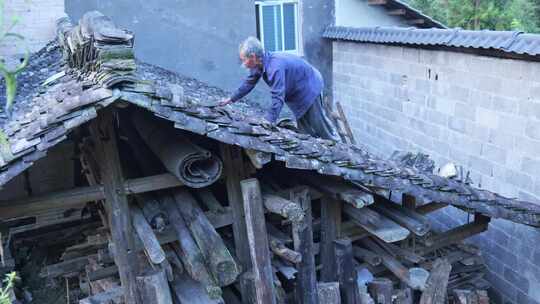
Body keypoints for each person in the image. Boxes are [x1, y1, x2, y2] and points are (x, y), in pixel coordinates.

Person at [220, 37, 340, 141]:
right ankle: (318, 154)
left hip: (310, 86)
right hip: (296, 90)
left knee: (318, 124)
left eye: (244, 59)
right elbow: (248, 83)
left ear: (253, 57)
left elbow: (278, 97)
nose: (243, 63)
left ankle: (337, 150)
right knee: (304, 129)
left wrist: (269, 120)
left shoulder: (275, 67)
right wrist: (231, 99)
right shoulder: (258, 65)